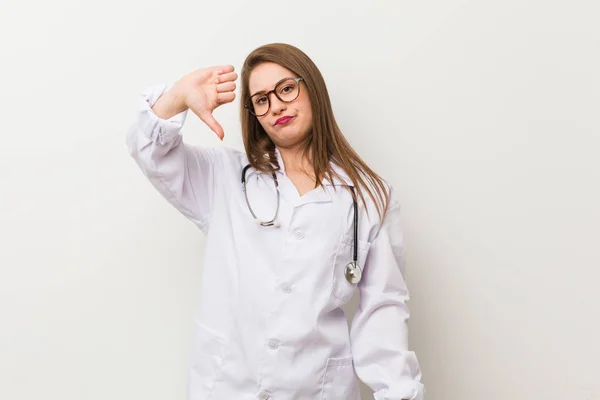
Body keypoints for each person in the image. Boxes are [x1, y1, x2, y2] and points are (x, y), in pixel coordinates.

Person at [126, 43, 424, 400]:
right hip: (226, 387)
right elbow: (151, 152)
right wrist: (178, 95)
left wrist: (399, 393)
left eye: (286, 89)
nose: (276, 106)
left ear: (312, 88)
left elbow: (383, 311)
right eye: (261, 100)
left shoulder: (370, 198)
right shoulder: (225, 178)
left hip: (315, 388)